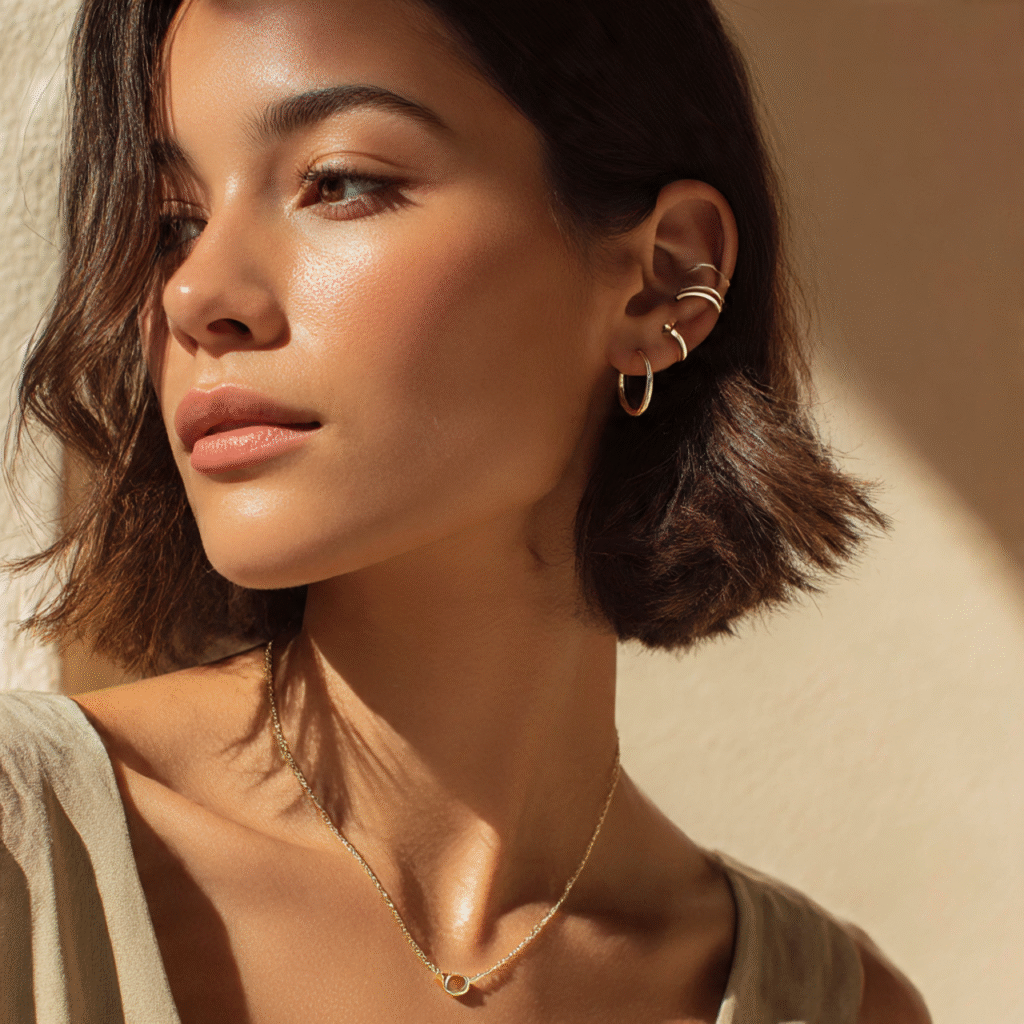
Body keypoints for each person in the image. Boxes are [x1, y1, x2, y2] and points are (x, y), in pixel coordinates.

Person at [0, 0, 932, 1020]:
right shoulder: (25, 851)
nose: (194, 293)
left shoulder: (831, 1005)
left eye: (340, 183)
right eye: (174, 221)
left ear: (665, 280)